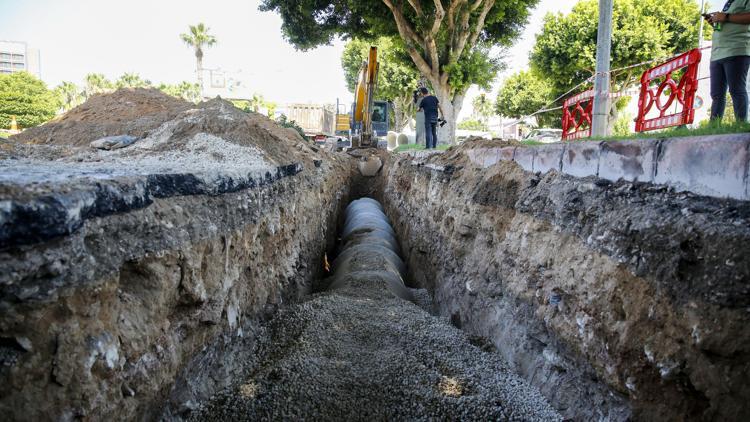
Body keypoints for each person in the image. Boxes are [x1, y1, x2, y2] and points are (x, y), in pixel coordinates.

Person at [705, 2, 750, 122]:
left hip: (736, 49)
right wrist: (715, 22)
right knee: (716, 94)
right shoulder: (730, 2)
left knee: (736, 90)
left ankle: (741, 125)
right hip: (717, 53)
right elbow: (728, 23)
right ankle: (714, 126)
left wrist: (726, 17)